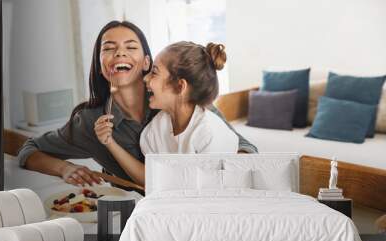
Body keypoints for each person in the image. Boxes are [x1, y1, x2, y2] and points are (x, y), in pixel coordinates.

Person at [18, 20, 257, 191]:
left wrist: (225, 180)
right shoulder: (90, 122)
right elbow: (29, 150)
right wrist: (64, 168)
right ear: (101, 65)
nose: (120, 53)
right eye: (109, 48)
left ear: (146, 63)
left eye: (130, 47)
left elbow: (244, 147)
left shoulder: (180, 101)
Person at [94, 41, 238, 186]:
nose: (145, 78)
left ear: (180, 86)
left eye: (154, 72)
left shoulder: (210, 134)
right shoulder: (155, 129)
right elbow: (152, 179)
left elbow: (212, 197)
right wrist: (110, 142)